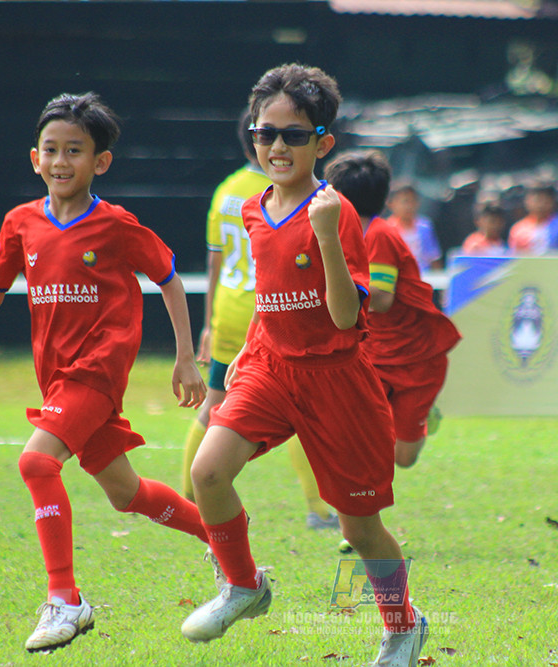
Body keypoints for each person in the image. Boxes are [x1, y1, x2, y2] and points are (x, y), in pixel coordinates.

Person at [0, 92, 211, 654]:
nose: (61, 161)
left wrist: (184, 356)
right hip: (57, 379)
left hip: (98, 371)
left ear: (99, 162)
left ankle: (66, 600)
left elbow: (169, 278)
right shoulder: (21, 222)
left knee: (36, 462)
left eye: (74, 151)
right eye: (51, 150)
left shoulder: (115, 225)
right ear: (35, 158)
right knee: (126, 493)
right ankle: (223, 534)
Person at [181, 63, 429, 666]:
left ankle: (403, 625)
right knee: (207, 473)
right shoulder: (251, 208)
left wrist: (323, 237)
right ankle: (243, 585)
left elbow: (346, 317)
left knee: (358, 528)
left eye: (294, 135)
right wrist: (238, 358)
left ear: (322, 143)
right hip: (271, 368)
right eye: (266, 133)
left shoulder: (335, 211)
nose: (277, 146)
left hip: (336, 378)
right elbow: (270, 296)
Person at [180, 109, 339, 530]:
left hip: (228, 313)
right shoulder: (280, 191)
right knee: (307, 412)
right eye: (270, 134)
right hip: (272, 314)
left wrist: (209, 321)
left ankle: (188, 500)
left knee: (213, 406)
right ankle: (317, 508)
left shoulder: (226, 190)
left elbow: (215, 262)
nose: (280, 146)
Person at [325, 149, 461, 467]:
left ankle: (425, 415)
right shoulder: (341, 233)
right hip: (373, 352)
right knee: (359, 437)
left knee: (404, 458)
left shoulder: (379, 235)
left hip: (415, 358)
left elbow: (382, 299)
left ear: (342, 198)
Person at [385, 180, 443, 272]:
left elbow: (433, 258)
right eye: (405, 202)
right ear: (391, 204)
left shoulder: (425, 227)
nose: (408, 206)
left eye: (412, 201)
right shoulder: (387, 229)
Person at [507, 183, 558, 254]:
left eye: (545, 200)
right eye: (537, 200)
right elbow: (513, 256)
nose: (541, 205)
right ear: (527, 202)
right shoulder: (518, 229)